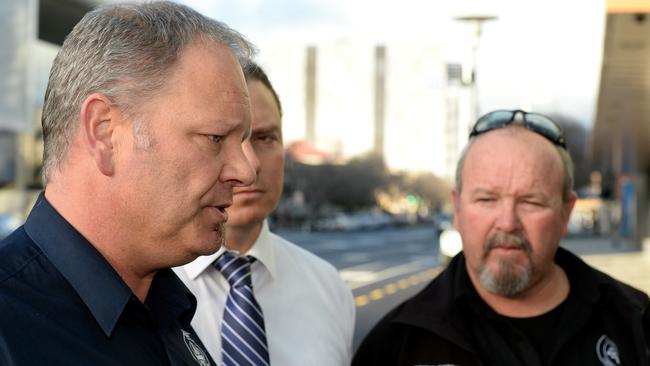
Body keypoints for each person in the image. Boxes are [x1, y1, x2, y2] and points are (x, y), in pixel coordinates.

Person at [0, 2, 257, 365]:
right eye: (215, 137)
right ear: (105, 132)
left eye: (242, 140)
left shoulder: (168, 310)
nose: (245, 171)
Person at [353, 109, 650, 366]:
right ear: (457, 208)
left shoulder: (634, 321)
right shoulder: (396, 344)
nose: (507, 224)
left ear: (566, 213)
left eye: (531, 202)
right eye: (486, 200)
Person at [175, 63, 355, 366]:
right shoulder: (141, 288)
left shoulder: (329, 289)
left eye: (265, 138)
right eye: (219, 138)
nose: (250, 164)